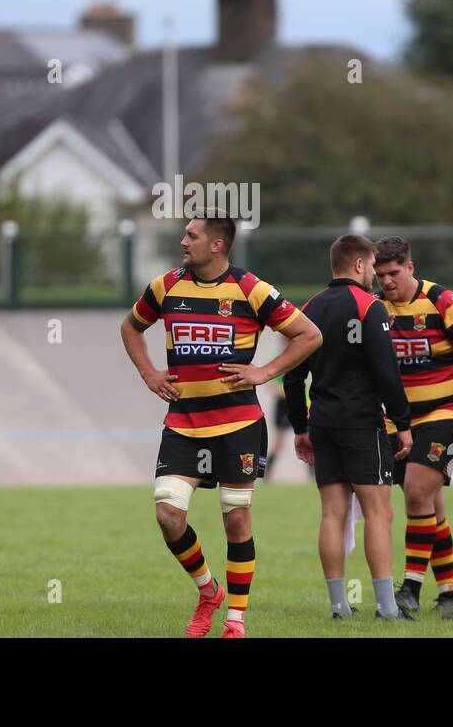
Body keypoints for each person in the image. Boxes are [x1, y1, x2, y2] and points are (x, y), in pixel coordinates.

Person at [119, 215, 322, 638]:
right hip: (184, 423)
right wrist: (148, 373)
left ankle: (235, 621)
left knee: (236, 521)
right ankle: (209, 591)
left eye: (191, 236)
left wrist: (265, 371)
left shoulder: (251, 289)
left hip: (239, 425)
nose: (182, 241)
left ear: (216, 244)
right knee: (168, 516)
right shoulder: (166, 286)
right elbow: (131, 326)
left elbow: (309, 335)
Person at [283, 235, 413, 621]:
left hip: (322, 422)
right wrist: (403, 423)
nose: (375, 274)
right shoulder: (369, 307)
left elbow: (291, 377)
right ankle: (387, 607)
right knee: (378, 513)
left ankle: (339, 606)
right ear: (359, 265)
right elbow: (386, 371)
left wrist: (300, 426)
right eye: (373, 266)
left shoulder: (309, 309)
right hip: (362, 423)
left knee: (332, 514)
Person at [373, 236, 453, 618]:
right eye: (380, 274)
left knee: (416, 491)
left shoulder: (444, 303)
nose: (387, 281)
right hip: (399, 422)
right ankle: (449, 593)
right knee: (429, 505)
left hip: (445, 414)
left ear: (410, 267)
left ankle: (410, 588)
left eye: (393, 272)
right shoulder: (375, 309)